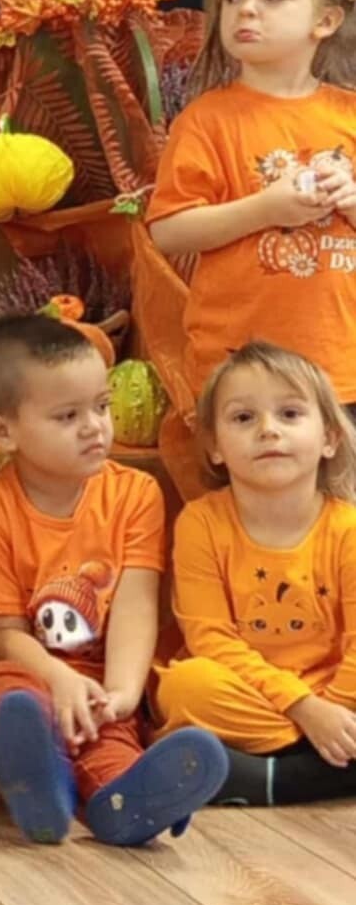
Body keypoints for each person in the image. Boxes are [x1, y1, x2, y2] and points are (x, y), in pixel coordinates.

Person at [0, 311, 227, 845]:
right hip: (27, 672)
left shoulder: (135, 494)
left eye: (101, 406)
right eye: (67, 416)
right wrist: (57, 681)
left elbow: (136, 603)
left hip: (100, 675)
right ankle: (40, 778)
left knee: (113, 736)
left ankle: (122, 801)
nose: (95, 427)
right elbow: (4, 634)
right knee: (4, 695)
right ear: (4, 432)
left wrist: (119, 694)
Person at [147, 0, 356, 408]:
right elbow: (169, 231)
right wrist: (265, 209)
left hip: (342, 367)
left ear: (325, 20)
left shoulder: (349, 114)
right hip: (240, 370)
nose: (246, 10)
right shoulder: (206, 119)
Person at [157, 342, 356, 805]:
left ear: (329, 438)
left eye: (290, 414)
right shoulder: (200, 523)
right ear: (214, 447)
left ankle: (265, 776)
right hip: (249, 693)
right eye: (244, 418)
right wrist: (304, 709)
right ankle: (320, 771)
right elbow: (210, 639)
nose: (268, 430)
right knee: (186, 687)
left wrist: (335, 712)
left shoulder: (348, 529)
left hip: (337, 694)